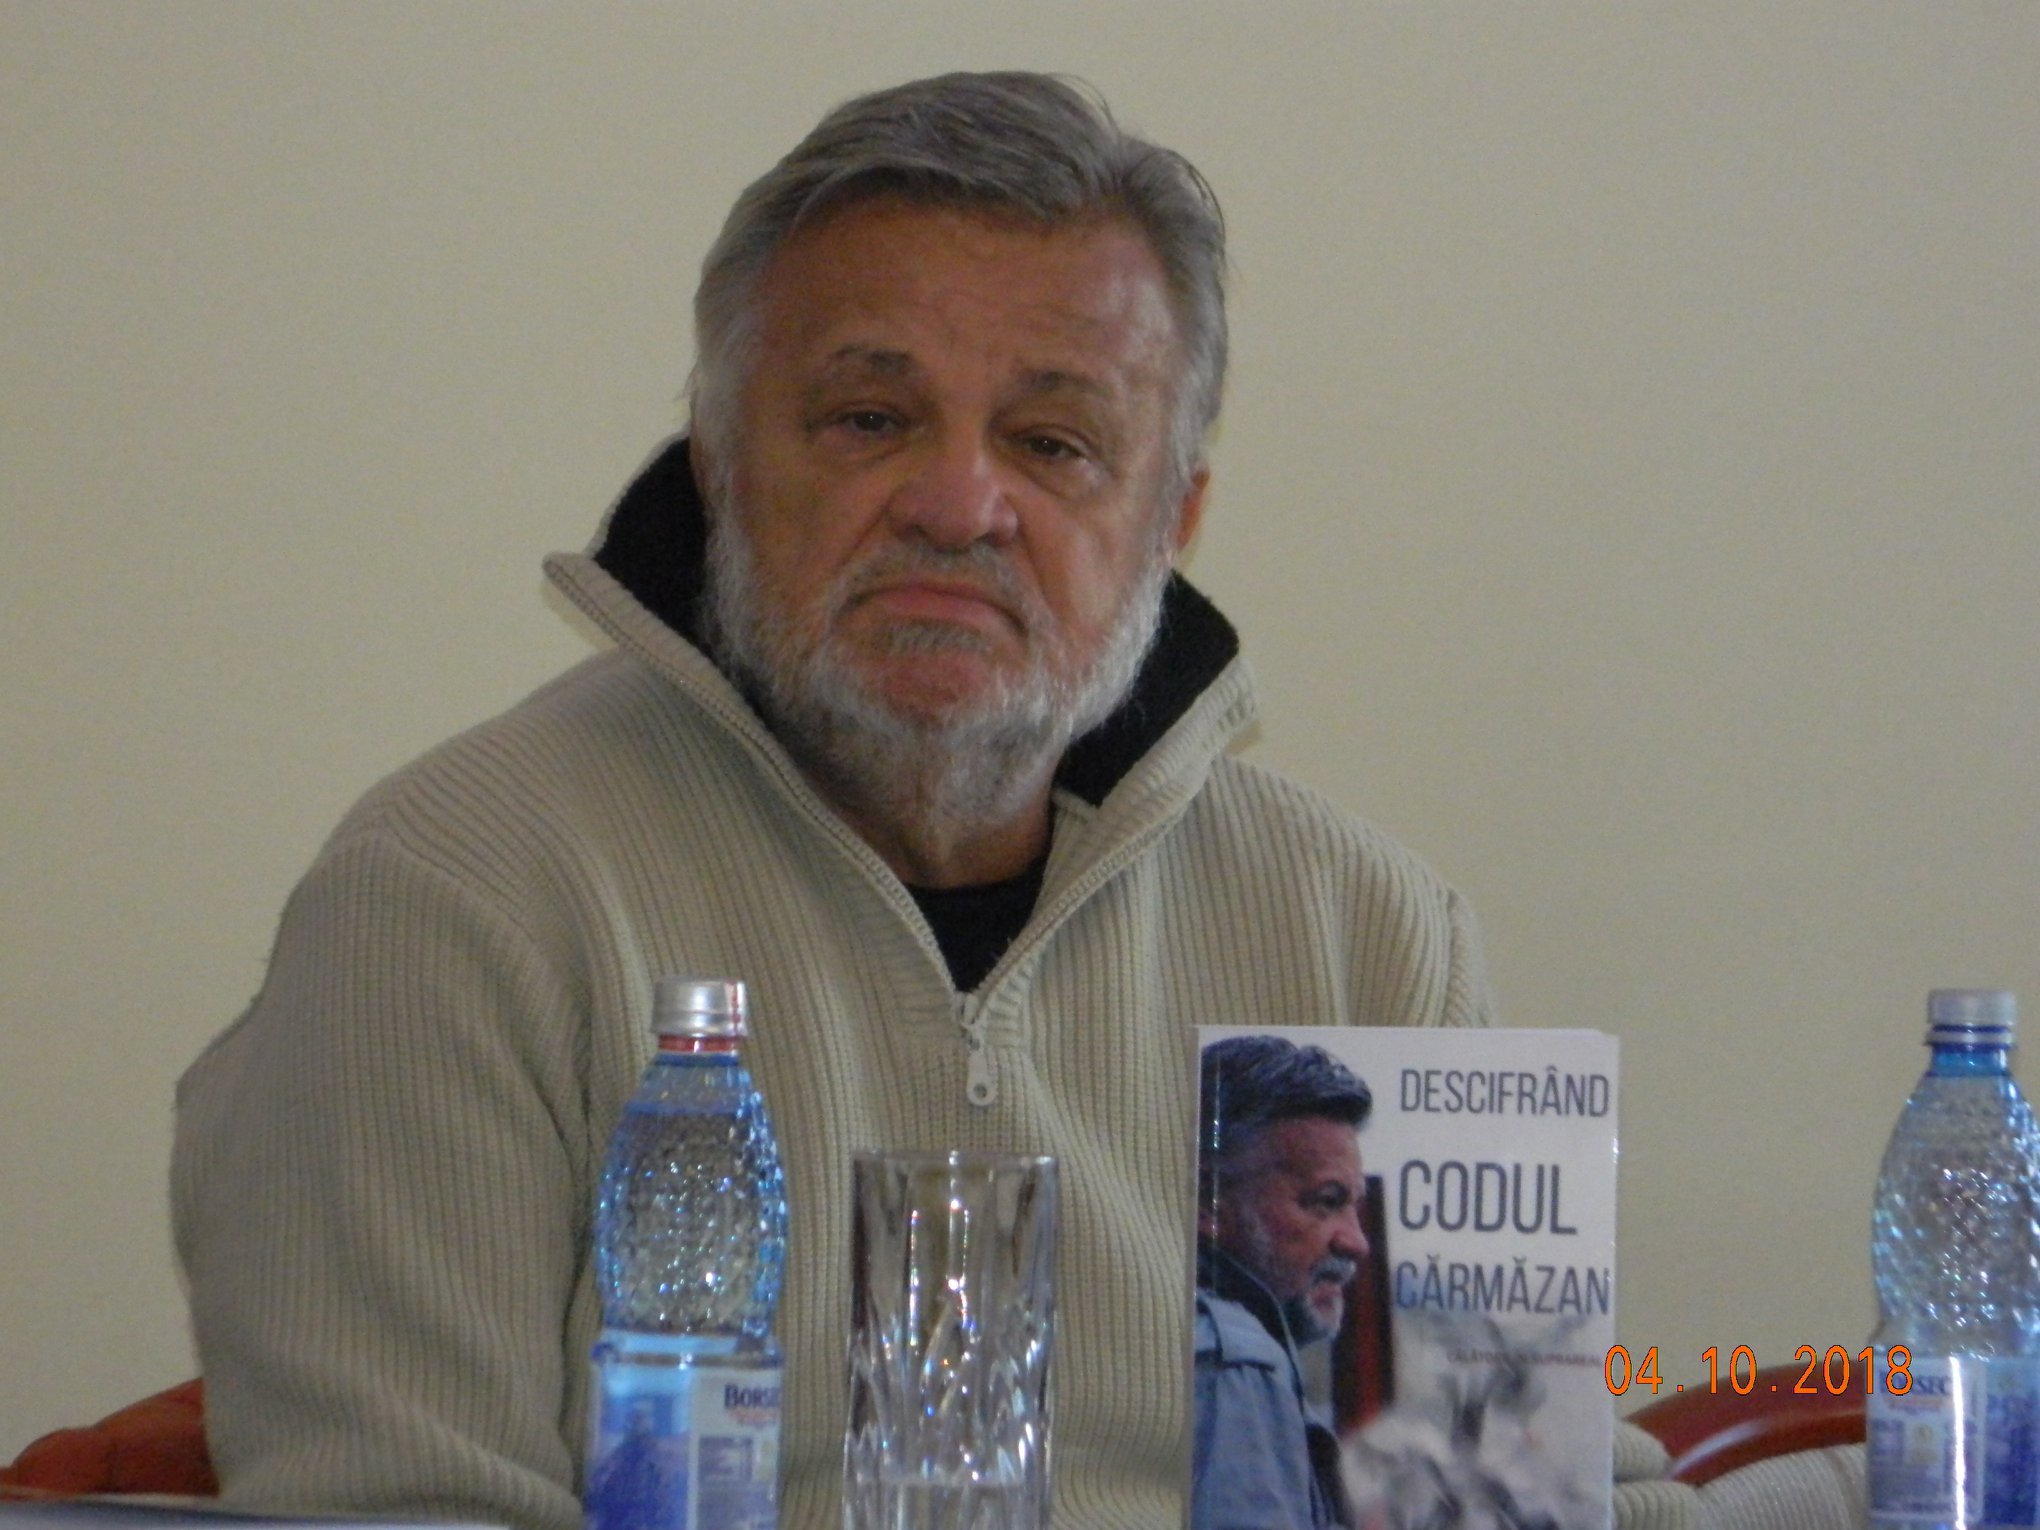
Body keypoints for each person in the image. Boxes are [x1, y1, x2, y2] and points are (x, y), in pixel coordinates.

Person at [171, 70, 1515, 1530]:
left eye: (1054, 444)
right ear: (719, 459)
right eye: (871, 418)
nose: (959, 504)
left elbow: (1528, 1486)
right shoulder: (448, 899)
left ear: (1171, 520)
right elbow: (399, 1506)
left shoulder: (1372, 935)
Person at [1193, 1036, 1373, 1530]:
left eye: (1354, 1207)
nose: (1357, 1242)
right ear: (1209, 1200)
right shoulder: (1237, 1361)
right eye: (1326, 1201)